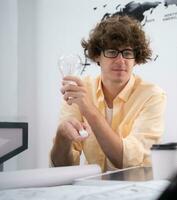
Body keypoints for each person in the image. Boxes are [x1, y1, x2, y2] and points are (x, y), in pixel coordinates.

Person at [50, 15, 166, 172]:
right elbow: (63, 168)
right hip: (92, 189)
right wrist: (62, 137)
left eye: (127, 52)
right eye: (112, 52)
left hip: (137, 189)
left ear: (136, 59)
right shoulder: (80, 91)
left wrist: (89, 110)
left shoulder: (152, 96)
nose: (121, 60)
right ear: (97, 55)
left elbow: (127, 162)